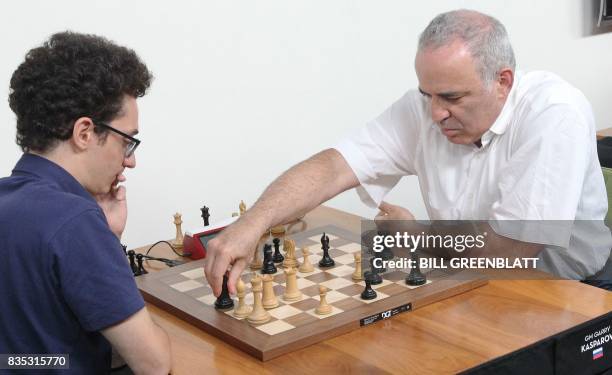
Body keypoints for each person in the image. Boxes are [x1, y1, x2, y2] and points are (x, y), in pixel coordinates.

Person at [204, 9, 612, 295]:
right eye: (427, 94)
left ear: (502, 81)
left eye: (451, 97)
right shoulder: (426, 109)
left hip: (571, 291)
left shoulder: (554, 112)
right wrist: (251, 223)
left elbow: (509, 250)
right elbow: (333, 166)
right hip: (468, 279)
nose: (435, 113)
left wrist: (417, 240)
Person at [0, 32, 171, 373]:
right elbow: (155, 363)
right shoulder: (73, 220)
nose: (130, 160)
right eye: (127, 142)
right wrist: (97, 237)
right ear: (84, 133)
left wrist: (107, 238)